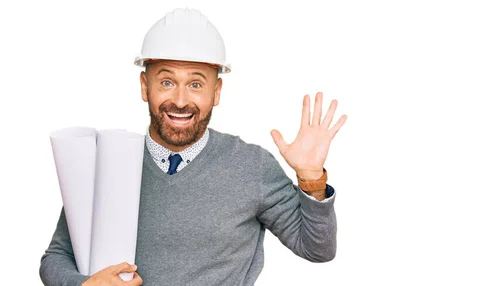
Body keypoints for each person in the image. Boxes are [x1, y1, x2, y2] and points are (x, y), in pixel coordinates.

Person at [39, 7, 347, 286]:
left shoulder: (252, 167)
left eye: (196, 84)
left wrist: (311, 178)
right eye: (167, 82)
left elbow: (317, 249)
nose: (181, 101)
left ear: (217, 92)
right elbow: (55, 258)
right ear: (145, 87)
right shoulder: (109, 162)